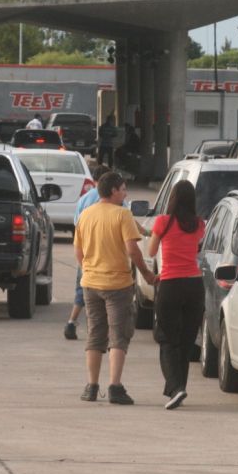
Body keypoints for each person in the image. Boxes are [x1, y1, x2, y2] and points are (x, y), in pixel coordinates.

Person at [73, 171, 156, 405]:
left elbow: (78, 250)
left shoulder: (86, 215)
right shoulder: (122, 215)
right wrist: (146, 273)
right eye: (123, 189)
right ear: (113, 191)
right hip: (118, 285)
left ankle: (91, 386)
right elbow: (132, 250)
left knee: (95, 334)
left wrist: (88, 269)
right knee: (119, 336)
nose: (125, 194)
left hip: (90, 284)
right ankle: (115, 387)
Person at [147, 180, 205, 410]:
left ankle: (175, 388)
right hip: (194, 285)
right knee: (186, 340)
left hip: (170, 284)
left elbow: (151, 250)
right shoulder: (199, 224)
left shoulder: (163, 222)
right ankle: (180, 387)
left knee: (167, 338)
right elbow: (197, 249)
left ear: (172, 198)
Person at [65, 165, 112, 341]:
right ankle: (106, 330)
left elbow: (77, 225)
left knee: (83, 289)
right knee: (110, 292)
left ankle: (71, 322)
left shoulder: (84, 199)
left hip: (85, 251)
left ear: (94, 180)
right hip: (107, 252)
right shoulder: (113, 198)